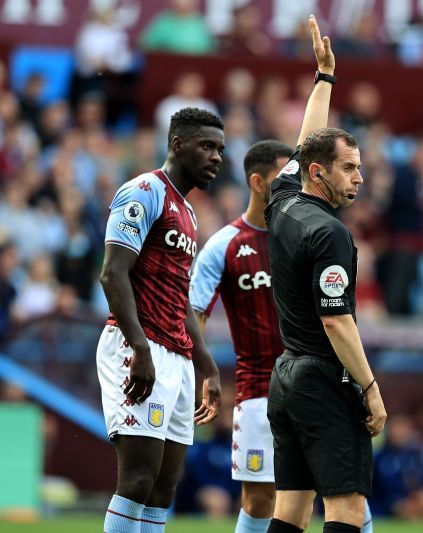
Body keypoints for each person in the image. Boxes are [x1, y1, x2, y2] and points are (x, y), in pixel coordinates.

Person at [264, 15, 387, 533]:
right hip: (323, 377)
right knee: (347, 512)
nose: (359, 176)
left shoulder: (282, 198)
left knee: (290, 513)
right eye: (349, 169)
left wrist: (325, 77)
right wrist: (370, 386)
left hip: (286, 375)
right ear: (320, 173)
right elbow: (337, 322)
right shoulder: (331, 234)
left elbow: (306, 141)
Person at [96, 107, 224, 533]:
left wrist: (205, 363)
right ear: (176, 144)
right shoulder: (144, 191)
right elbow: (113, 273)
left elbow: (179, 296)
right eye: (207, 146)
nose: (216, 157)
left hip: (178, 356)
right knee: (136, 480)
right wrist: (139, 347)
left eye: (220, 149)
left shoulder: (187, 212)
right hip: (139, 345)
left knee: (163, 489)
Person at [189, 140, 292, 533]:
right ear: (258, 182)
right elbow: (194, 312)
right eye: (284, 178)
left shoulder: (303, 236)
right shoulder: (224, 245)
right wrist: (204, 373)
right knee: (260, 498)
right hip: (257, 391)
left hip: (311, 385)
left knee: (333, 492)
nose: (294, 187)